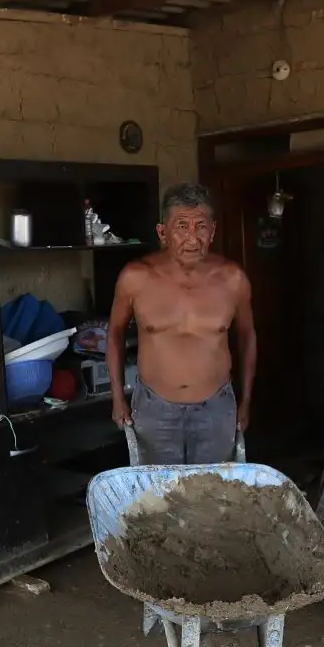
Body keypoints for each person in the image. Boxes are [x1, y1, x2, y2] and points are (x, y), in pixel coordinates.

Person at [108, 183, 256, 465]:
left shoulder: (233, 280)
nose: (192, 238)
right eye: (182, 226)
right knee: (158, 498)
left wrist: (245, 400)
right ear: (163, 233)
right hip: (154, 409)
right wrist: (117, 397)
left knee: (213, 496)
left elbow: (248, 336)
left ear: (213, 231)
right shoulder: (135, 278)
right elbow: (114, 333)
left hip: (216, 407)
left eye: (201, 227)